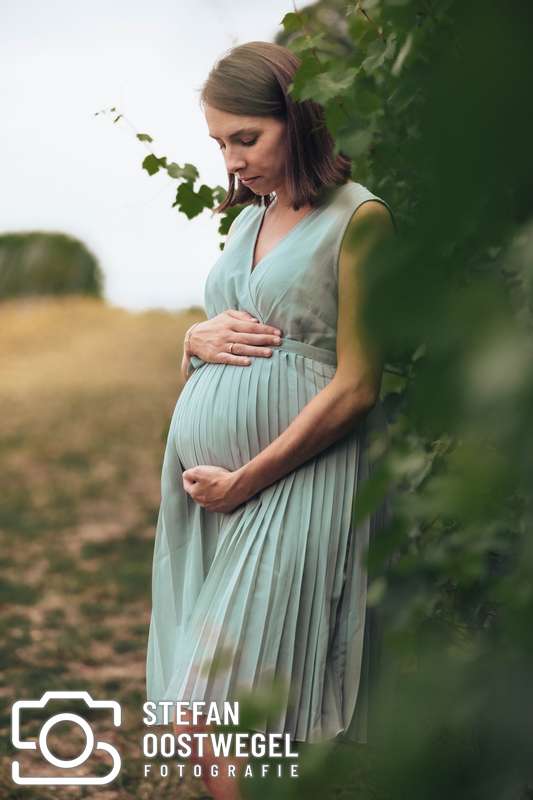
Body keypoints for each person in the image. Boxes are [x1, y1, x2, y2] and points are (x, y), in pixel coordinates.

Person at [145, 41, 395, 800]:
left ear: (299, 119)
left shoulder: (360, 219)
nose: (231, 160)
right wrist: (189, 342)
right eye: (219, 143)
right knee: (210, 719)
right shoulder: (246, 223)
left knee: (222, 716)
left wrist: (245, 479)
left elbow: (356, 386)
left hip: (292, 481)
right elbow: (221, 343)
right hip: (214, 495)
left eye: (245, 138)